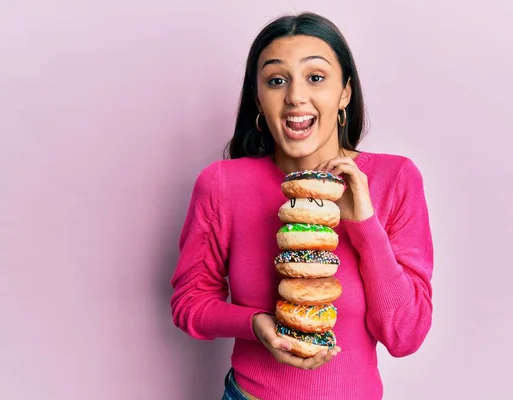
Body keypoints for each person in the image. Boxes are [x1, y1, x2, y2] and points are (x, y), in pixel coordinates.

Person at [170, 11, 434, 400]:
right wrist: (255, 323)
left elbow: (404, 336)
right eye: (277, 80)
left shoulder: (394, 178)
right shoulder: (221, 184)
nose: (295, 96)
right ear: (258, 97)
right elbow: (189, 303)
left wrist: (363, 222)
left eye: (315, 77)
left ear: (345, 92)